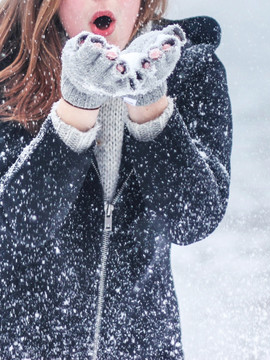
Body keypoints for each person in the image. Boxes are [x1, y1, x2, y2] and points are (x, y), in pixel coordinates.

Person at [0, 0, 232, 358]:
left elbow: (193, 219)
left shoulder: (189, 70)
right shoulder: (9, 71)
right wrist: (77, 106)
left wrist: (150, 103)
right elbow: (17, 224)